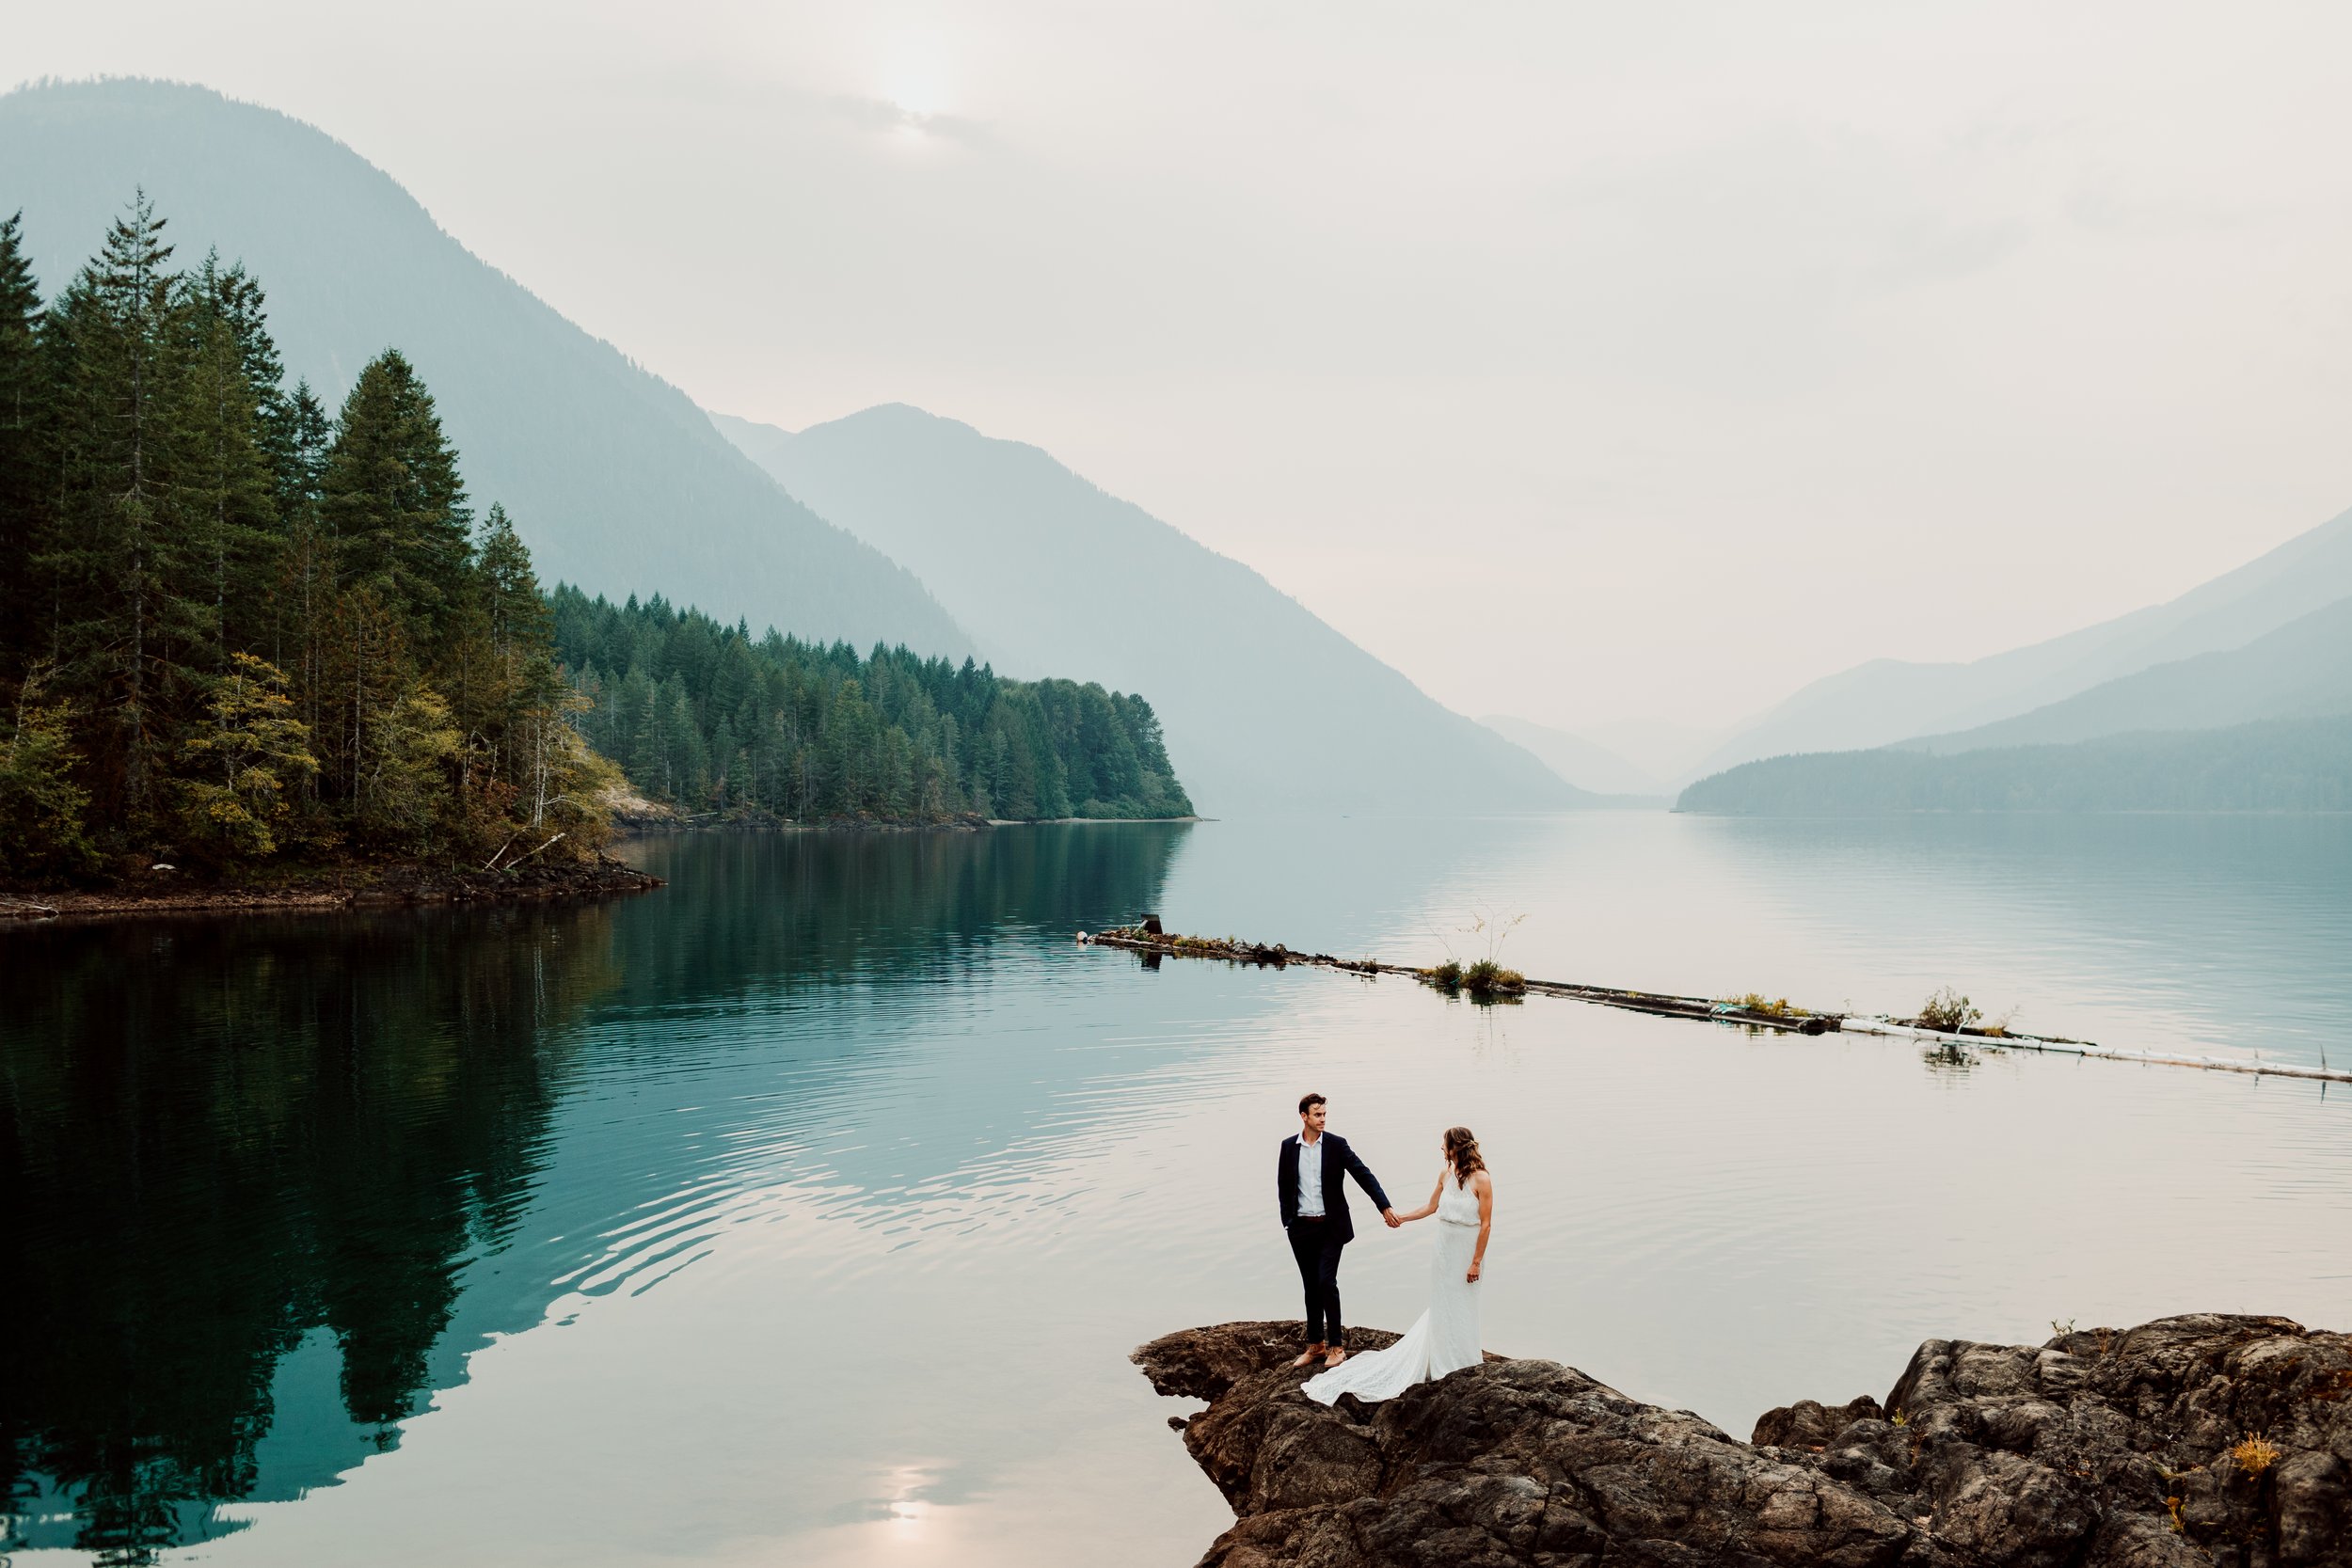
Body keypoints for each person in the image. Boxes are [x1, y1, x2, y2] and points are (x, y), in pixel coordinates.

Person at [1302, 1125, 1492, 1404]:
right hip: (1444, 1249)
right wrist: (1401, 1217)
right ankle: (1440, 1358)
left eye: (1444, 1144)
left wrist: (1476, 1261)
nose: (1441, 1148)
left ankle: (1463, 1357)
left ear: (1455, 1148)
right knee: (1443, 1303)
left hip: (1467, 1250)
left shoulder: (1482, 1179)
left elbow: (1486, 1224)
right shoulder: (1446, 1174)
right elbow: (1430, 1208)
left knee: (1464, 1303)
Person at [1278, 1092, 1399, 1369]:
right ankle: (1316, 1346)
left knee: (1325, 1282)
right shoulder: (1288, 1147)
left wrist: (1384, 1206)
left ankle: (1337, 1347)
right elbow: (1284, 1187)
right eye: (1317, 1115)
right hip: (1301, 1229)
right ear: (1304, 1117)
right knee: (1310, 1287)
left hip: (1331, 1228)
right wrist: (1289, 1222)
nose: (1322, 1119)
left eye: (1324, 1114)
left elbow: (1363, 1174)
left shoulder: (1335, 1145)